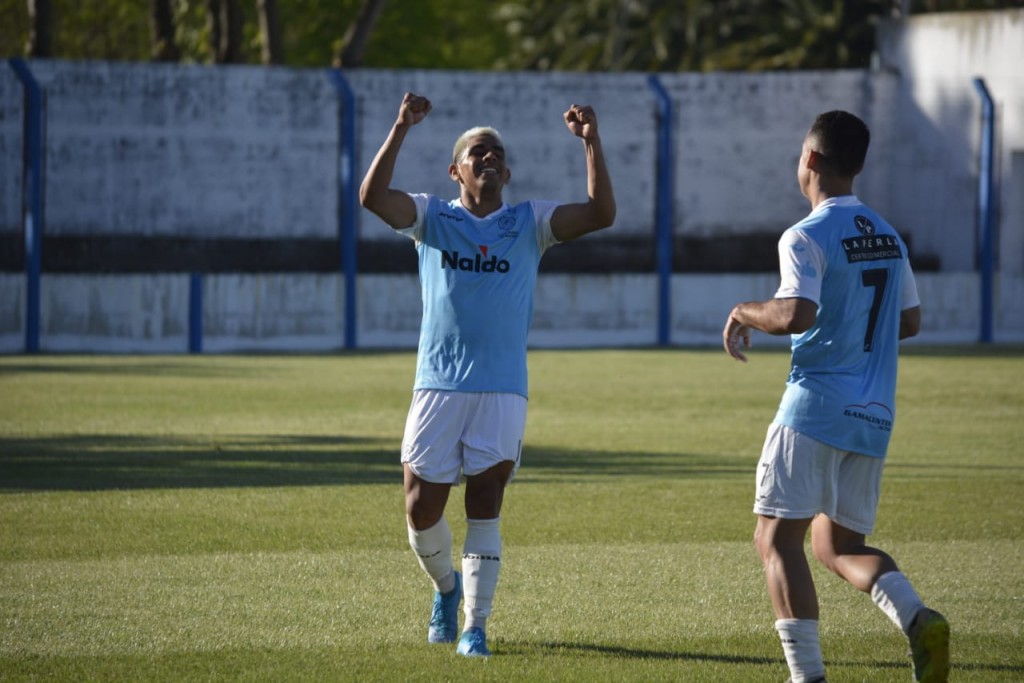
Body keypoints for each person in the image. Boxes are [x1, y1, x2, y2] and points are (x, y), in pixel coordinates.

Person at [359, 92, 615, 657]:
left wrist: (591, 142)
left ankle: (475, 625)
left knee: (484, 500)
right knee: (420, 509)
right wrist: (401, 127)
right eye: (478, 152)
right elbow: (372, 197)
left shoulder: (530, 222)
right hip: (437, 384)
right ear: (456, 171)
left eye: (497, 153)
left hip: (502, 388)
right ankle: (446, 589)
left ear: (508, 172)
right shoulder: (432, 217)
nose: (490, 157)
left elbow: (600, 214)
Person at [721, 110, 949, 683]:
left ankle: (808, 677)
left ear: (811, 159)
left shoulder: (805, 234)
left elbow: (795, 313)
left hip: (815, 409)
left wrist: (743, 311)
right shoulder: (889, 236)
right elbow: (910, 321)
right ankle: (917, 617)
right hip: (873, 416)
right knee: (838, 545)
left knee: (776, 539)